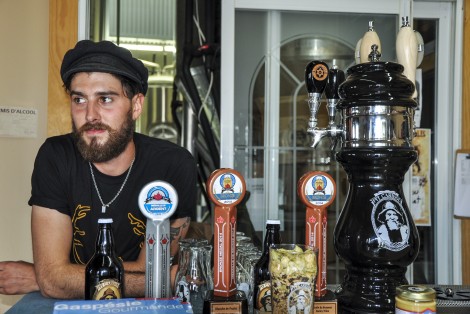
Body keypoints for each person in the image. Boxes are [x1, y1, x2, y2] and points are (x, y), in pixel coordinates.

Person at [0, 40, 197, 300]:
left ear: (136, 105)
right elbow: (53, 280)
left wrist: (56, 276)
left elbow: (151, 268)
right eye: (79, 99)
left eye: (105, 99)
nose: (90, 114)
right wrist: (167, 280)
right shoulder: (56, 156)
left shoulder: (173, 164)